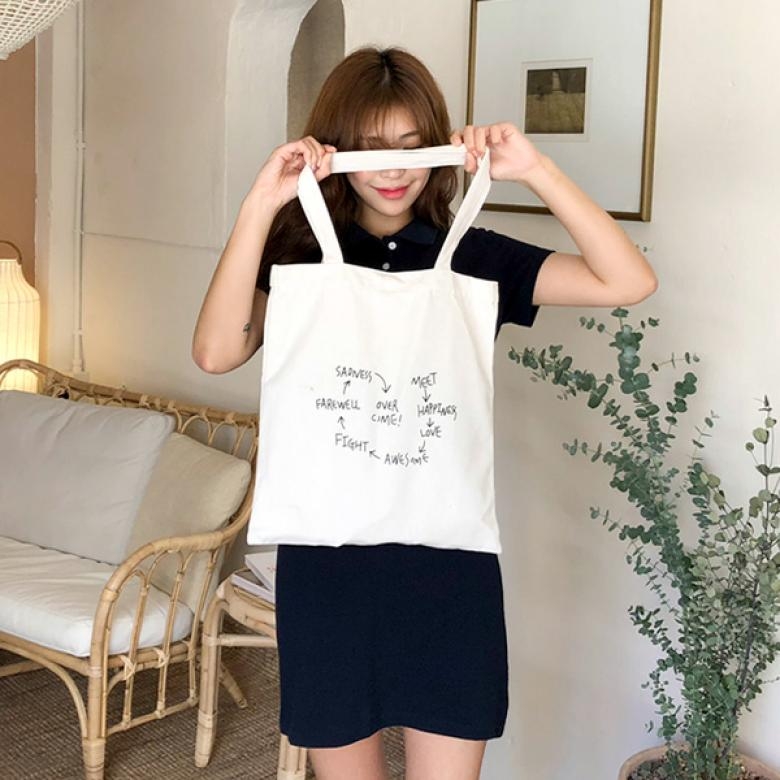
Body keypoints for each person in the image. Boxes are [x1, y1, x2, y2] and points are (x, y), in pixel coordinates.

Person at [192, 46, 657, 780]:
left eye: (412, 146)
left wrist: (536, 170)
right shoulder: (296, 252)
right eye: (371, 147)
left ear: (437, 149)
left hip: (448, 567)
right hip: (327, 566)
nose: (394, 169)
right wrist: (261, 203)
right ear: (337, 149)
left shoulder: (471, 256)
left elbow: (627, 280)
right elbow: (217, 352)